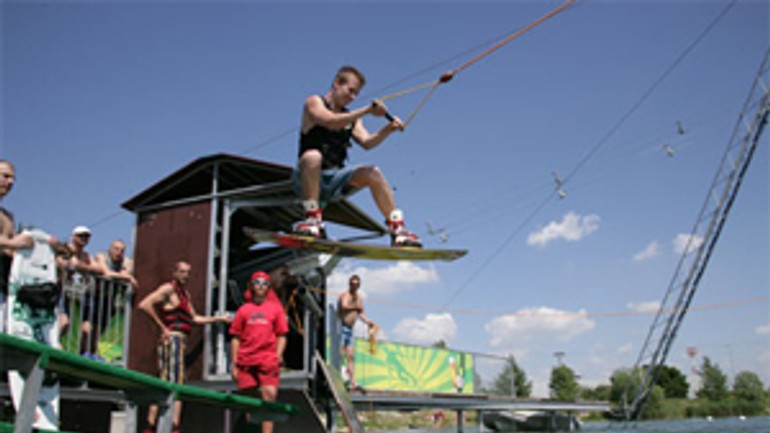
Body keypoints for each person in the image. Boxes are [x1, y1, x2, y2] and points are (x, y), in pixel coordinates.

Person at [293, 65, 421, 247]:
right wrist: (367, 110)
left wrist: (388, 129)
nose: (352, 97)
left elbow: (367, 142)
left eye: (356, 94)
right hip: (307, 179)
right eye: (350, 91)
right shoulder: (314, 102)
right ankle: (313, 219)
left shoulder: (352, 117)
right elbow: (330, 121)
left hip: (335, 179)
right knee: (312, 156)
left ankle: (397, 230)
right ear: (337, 83)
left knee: (373, 173)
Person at [138, 261, 231, 433]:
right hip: (172, 339)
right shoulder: (168, 289)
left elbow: (194, 318)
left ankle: (165, 425)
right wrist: (163, 328)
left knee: (171, 380)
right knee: (173, 382)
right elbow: (145, 304)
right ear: (174, 272)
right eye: (182, 272)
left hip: (181, 341)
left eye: (187, 272)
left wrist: (218, 319)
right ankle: (165, 426)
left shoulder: (184, 294)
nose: (185, 275)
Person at [230, 271, 288, 433]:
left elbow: (282, 335)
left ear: (268, 287)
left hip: (267, 359)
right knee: (249, 402)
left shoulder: (276, 309)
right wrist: (234, 364)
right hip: (245, 360)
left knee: (269, 396)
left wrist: (277, 355)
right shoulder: (243, 310)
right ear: (251, 286)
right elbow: (235, 338)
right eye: (257, 282)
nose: (260, 286)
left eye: (264, 283)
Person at [56, 225, 104, 356]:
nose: (84, 239)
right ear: (74, 237)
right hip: (63, 291)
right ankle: (54, 343)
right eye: (81, 235)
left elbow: (100, 269)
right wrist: (74, 265)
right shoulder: (66, 249)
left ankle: (82, 355)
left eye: (87, 236)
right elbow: (61, 262)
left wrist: (80, 266)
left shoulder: (87, 255)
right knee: (64, 323)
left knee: (87, 329)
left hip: (81, 292)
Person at [0, 160, 33, 331]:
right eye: (5, 176)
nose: (10, 182)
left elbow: (11, 248)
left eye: (13, 178)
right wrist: (14, 242)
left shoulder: (7, 216)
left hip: (4, 283)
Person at [337, 274, 375, 390]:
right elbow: (344, 306)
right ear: (349, 284)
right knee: (340, 353)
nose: (354, 286)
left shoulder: (359, 298)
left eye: (357, 285)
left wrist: (367, 321)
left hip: (350, 329)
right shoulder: (345, 295)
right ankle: (339, 376)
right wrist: (356, 307)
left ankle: (353, 382)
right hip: (341, 326)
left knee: (351, 355)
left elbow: (360, 313)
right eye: (353, 284)